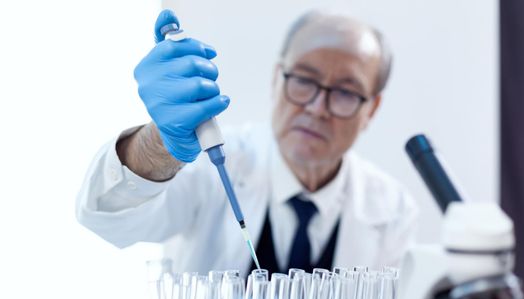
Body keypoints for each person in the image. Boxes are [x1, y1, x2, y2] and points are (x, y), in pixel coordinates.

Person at [76, 9, 418, 276]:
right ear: (276, 78)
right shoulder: (212, 167)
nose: (316, 108)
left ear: (371, 108)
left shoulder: (392, 210)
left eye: (344, 92)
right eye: (304, 80)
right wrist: (159, 144)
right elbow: (108, 218)